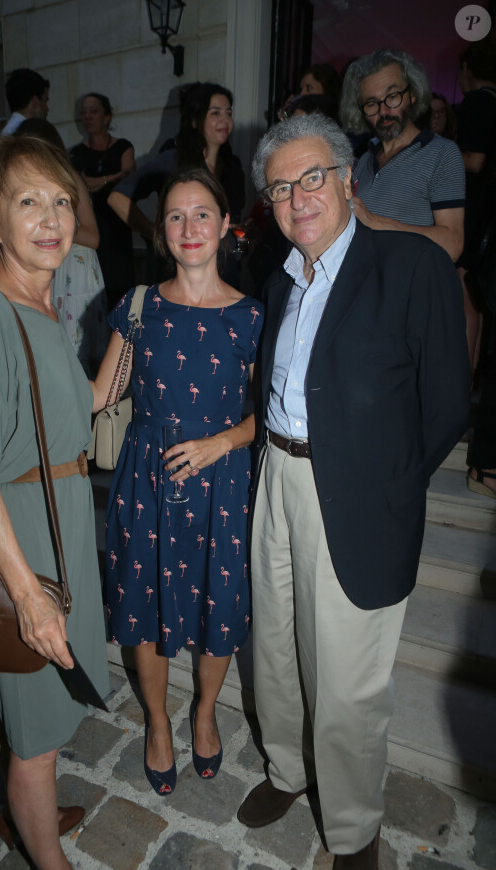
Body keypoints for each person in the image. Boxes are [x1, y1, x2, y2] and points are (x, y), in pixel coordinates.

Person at [237, 114, 469, 869]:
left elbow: (445, 406)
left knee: (346, 684)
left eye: (312, 178)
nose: (297, 197)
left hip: (359, 492)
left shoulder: (412, 267)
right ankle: (286, 768)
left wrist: (393, 483)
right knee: (273, 649)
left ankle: (352, 825)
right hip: (276, 474)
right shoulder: (280, 279)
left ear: (346, 182)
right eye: (280, 186)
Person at [0, 136, 109, 868]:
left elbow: (69, 418)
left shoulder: (41, 310)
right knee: (34, 741)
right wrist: (29, 598)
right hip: (23, 545)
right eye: (28, 201)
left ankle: (26, 814)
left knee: (45, 718)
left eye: (62, 200)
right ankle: (47, 854)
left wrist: (129, 343)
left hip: (61, 523)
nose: (51, 218)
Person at [93, 167, 263, 795]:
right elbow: (98, 393)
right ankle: (159, 723)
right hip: (149, 481)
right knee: (147, 609)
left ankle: (205, 711)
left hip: (222, 481)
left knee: (218, 606)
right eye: (175, 215)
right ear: (162, 231)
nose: (189, 227)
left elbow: (268, 414)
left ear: (224, 225)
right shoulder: (139, 306)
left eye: (201, 214)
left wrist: (220, 442)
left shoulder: (252, 317)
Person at [108, 82, 245, 287]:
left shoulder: (233, 166)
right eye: (215, 113)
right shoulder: (173, 160)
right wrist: (156, 234)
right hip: (180, 274)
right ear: (194, 120)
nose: (225, 120)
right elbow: (116, 198)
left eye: (229, 113)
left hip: (224, 272)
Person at [339, 48, 465, 263]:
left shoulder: (442, 153)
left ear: (413, 93)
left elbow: (452, 244)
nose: (384, 111)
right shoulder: (364, 161)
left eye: (393, 96)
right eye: (371, 103)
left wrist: (374, 222)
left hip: (409, 291)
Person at [15, 118, 108, 377]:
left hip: (76, 276)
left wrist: (57, 227)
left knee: (79, 358)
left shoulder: (70, 178)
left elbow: (93, 236)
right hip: (54, 273)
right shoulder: (33, 184)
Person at [70, 93, 136, 307]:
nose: (87, 116)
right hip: (93, 227)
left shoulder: (123, 147)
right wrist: (113, 177)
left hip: (119, 226)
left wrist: (94, 182)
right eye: (84, 112)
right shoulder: (76, 153)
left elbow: (130, 175)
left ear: (107, 117)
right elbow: (83, 184)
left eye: (94, 111)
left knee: (123, 290)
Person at [456, 38, 496, 373]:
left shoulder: (476, 104)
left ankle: (463, 374)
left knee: (464, 284)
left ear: (468, 69)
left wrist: (440, 155)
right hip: (489, 205)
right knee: (478, 293)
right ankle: (473, 371)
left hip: (475, 204)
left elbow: (475, 160)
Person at [1, 68, 50, 136]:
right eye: (45, 101)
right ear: (35, 102)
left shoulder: (8, 133)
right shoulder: (26, 136)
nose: (47, 109)